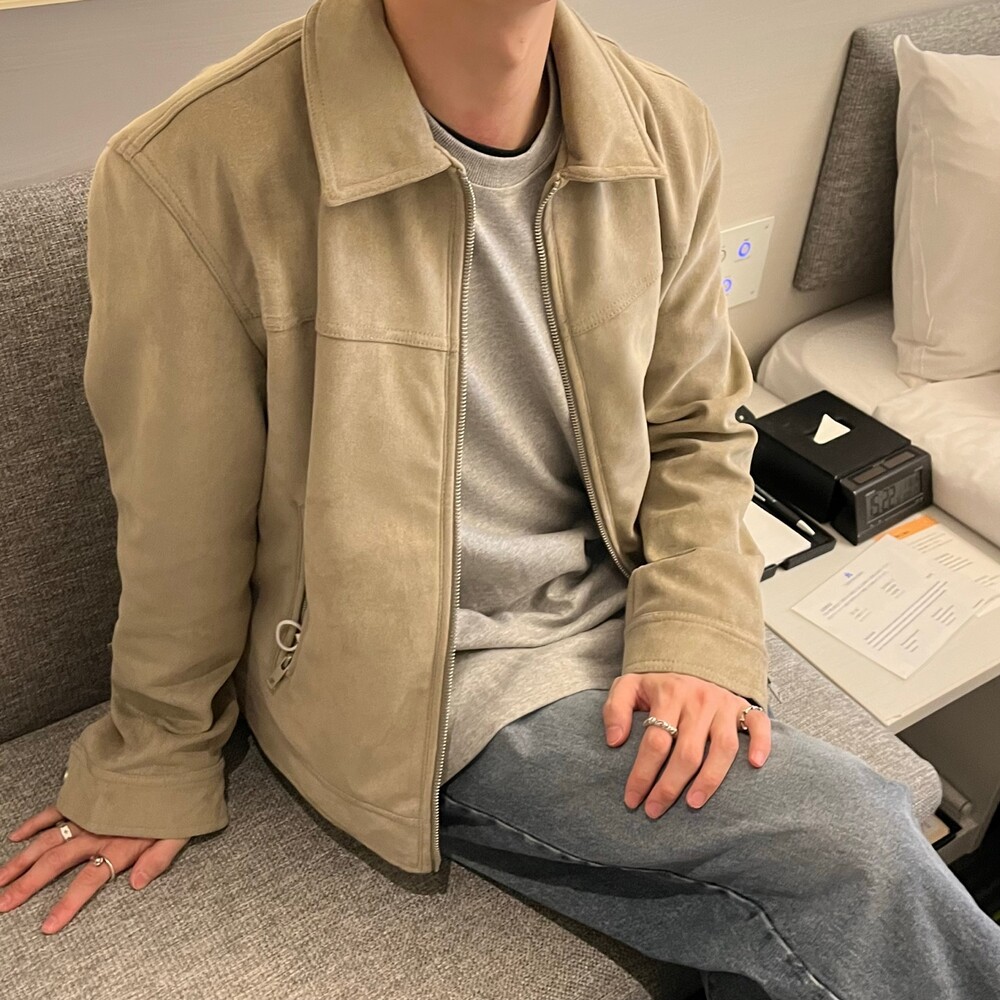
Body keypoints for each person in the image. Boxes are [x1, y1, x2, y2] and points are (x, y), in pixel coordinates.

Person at [2, 0, 999, 994]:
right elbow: (180, 525)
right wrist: (154, 755)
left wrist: (697, 630)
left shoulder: (660, 124)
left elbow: (695, 428)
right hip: (421, 678)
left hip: (624, 598)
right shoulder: (194, 166)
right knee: (850, 845)